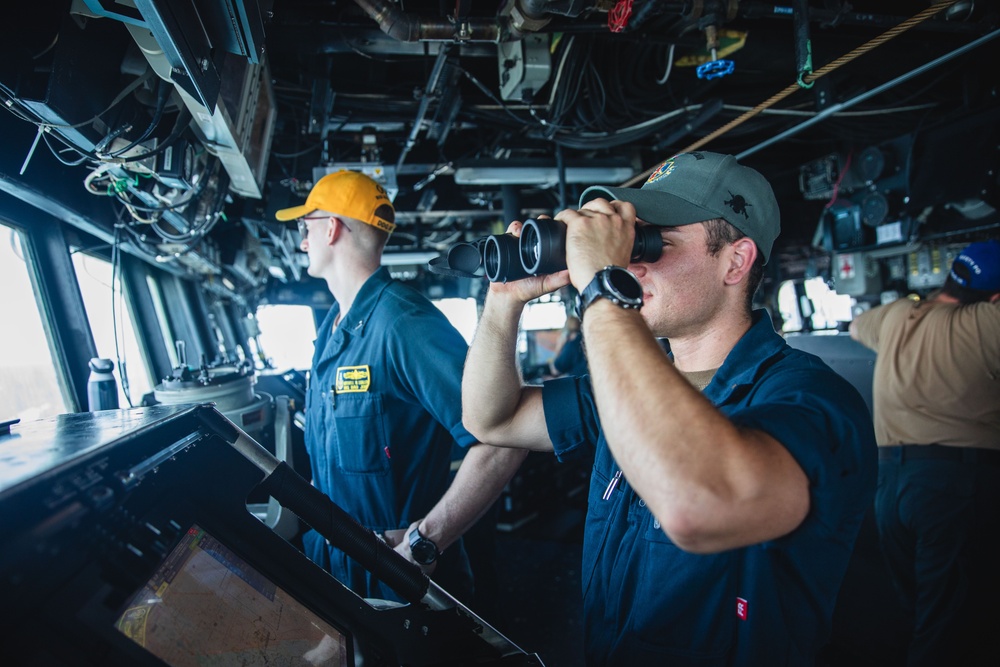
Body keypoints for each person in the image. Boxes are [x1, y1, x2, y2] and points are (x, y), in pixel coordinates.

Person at [462, 151, 877, 665]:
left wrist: (600, 285)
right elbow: (492, 418)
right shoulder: (622, 386)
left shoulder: (809, 400)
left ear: (736, 261)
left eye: (653, 242)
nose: (631, 263)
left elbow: (697, 506)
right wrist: (503, 301)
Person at [275, 170, 525, 603]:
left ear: (331, 228)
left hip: (396, 568)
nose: (302, 241)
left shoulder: (404, 323)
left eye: (306, 227)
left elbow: (504, 439)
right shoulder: (333, 331)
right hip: (334, 562)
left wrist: (425, 542)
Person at [849, 239, 1000, 667]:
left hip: (891, 490)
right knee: (952, 627)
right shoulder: (990, 322)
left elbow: (857, 327)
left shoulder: (898, 315)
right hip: (954, 488)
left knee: (919, 612)